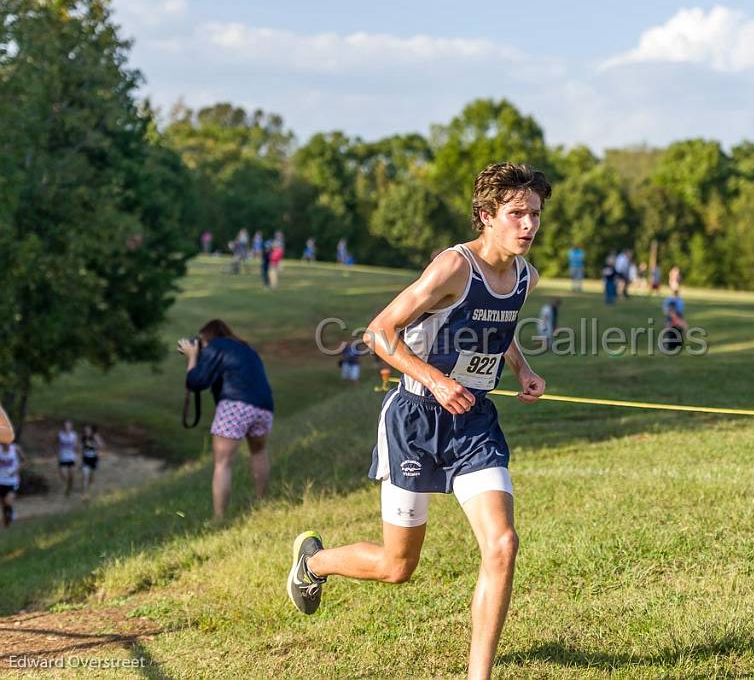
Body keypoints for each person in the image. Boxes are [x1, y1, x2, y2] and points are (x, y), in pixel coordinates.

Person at [286, 162, 550, 680]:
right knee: (397, 566)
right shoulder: (453, 268)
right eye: (516, 213)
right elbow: (379, 334)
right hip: (414, 418)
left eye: (535, 214)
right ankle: (312, 563)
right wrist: (434, 379)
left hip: (474, 422)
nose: (528, 225)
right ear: (485, 216)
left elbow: (499, 326)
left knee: (503, 543)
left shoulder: (525, 276)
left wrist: (523, 368)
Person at [179, 320, 275, 521]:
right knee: (259, 452)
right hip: (264, 406)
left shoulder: (215, 346)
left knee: (222, 463)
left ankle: (219, 517)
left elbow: (196, 382)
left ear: (206, 337)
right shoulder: (245, 347)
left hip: (235, 406)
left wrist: (192, 357)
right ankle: (262, 503)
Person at [0, 440, 26, 527]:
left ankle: (12, 513)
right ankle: (7, 526)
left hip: (12, 481)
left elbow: (24, 461)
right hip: (1, 481)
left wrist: (16, 469)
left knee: (8, 501)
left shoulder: (15, 449)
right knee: (3, 505)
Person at [57, 420, 78, 496]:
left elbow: (76, 445)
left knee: (71, 475)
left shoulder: (74, 435)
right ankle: (68, 485)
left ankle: (69, 488)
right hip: (62, 457)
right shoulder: (60, 434)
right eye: (66, 425)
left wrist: (77, 453)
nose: (67, 427)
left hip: (71, 457)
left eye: (68, 425)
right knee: (62, 475)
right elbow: (57, 444)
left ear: (71, 427)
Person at [80, 424, 104, 494]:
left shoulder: (95, 437)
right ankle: (84, 492)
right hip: (86, 459)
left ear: (91, 431)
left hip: (94, 459)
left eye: (88, 430)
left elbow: (102, 446)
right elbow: (80, 447)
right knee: (85, 475)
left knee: (91, 475)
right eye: (85, 431)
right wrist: (81, 447)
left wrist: (92, 445)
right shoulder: (83, 438)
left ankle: (90, 485)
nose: (87, 432)